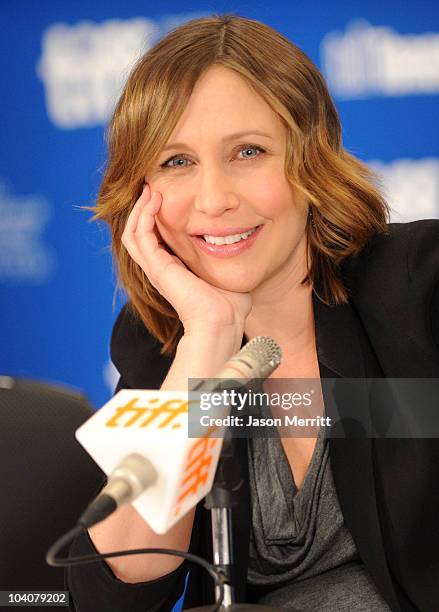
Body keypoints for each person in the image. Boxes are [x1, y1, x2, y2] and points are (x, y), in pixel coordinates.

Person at [66, 13, 439, 612]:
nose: (214, 199)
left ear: (309, 159)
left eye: (248, 151)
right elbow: (113, 600)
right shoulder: (156, 345)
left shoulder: (419, 283)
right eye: (176, 162)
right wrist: (209, 335)